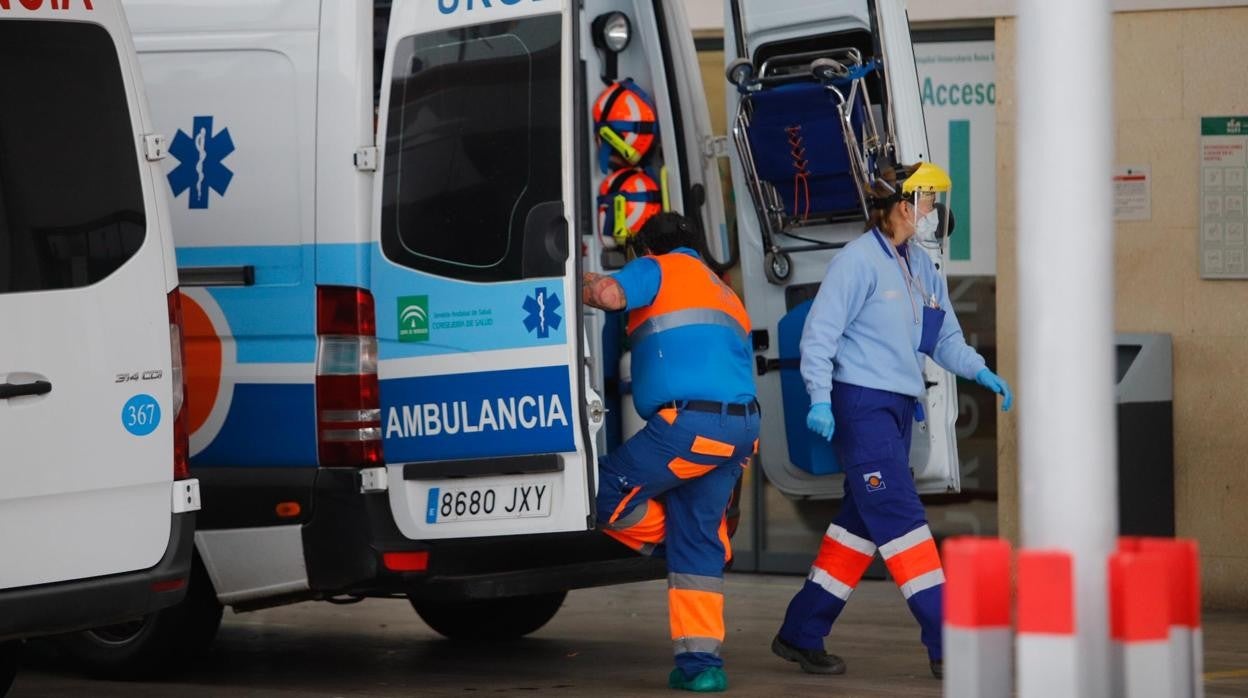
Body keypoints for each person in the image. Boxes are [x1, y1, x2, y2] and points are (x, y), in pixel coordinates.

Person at [770, 162, 1013, 679]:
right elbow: (819, 335)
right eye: (928, 202)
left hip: (900, 409)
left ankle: (800, 631)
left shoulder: (921, 267)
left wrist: (980, 371)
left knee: (857, 530)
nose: (933, 213)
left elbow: (943, 337)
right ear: (904, 205)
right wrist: (818, 397)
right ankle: (947, 640)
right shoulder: (857, 262)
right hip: (863, 407)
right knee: (902, 521)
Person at [582, 212, 759, 693]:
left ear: (648, 248)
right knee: (698, 536)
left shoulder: (657, 267)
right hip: (739, 429)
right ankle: (702, 666)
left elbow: (609, 296)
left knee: (595, 489)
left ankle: (679, 540)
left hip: (688, 424)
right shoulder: (726, 293)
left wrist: (577, 280)